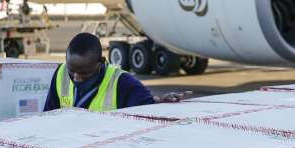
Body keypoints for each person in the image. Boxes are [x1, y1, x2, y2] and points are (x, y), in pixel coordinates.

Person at [43, 33, 189, 112]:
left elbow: (147, 109)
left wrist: (160, 103)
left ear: (101, 62)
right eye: (72, 71)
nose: (76, 78)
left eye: (84, 73)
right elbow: (49, 117)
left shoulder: (122, 82)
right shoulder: (60, 74)